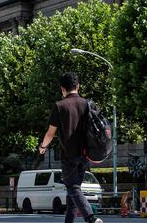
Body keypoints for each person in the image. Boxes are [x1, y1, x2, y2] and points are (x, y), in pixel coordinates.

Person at [39, 72, 103, 223]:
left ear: (62, 88)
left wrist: (42, 147)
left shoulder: (59, 106)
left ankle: (91, 218)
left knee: (73, 187)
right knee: (72, 192)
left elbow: (50, 133)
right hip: (86, 154)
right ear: (78, 86)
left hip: (69, 154)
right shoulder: (88, 104)